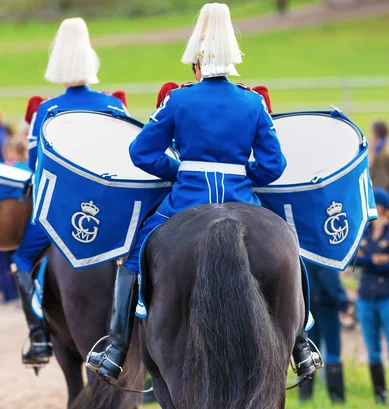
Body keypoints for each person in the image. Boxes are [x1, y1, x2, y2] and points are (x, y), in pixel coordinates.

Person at [87, 2, 322, 382]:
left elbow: (140, 152)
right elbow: (274, 166)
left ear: (196, 63)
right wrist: (247, 172)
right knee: (288, 249)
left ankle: (115, 347)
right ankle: (302, 343)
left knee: (133, 256)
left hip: (187, 197)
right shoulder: (253, 101)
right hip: (241, 195)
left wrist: (176, 168)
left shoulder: (178, 100)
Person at [11, 17, 128, 367]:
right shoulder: (113, 106)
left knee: (20, 262)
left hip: (60, 213)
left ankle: (39, 339)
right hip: (109, 211)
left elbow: (36, 164)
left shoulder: (48, 110)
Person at [356, 188, 389, 405]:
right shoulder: (362, 233)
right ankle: (379, 396)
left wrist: (367, 259)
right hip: (365, 296)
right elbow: (354, 260)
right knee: (372, 350)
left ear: (380, 207)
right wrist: (376, 259)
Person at [299, 262, 349, 403]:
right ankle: (337, 398)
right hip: (327, 306)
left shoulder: (302, 249)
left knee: (308, 351)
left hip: (307, 306)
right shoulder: (321, 251)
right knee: (333, 351)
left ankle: (305, 397)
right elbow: (328, 277)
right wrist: (343, 303)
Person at [369, 121, 389, 199]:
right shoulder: (385, 148)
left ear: (376, 134)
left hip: (385, 196)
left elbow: (383, 179)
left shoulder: (384, 153)